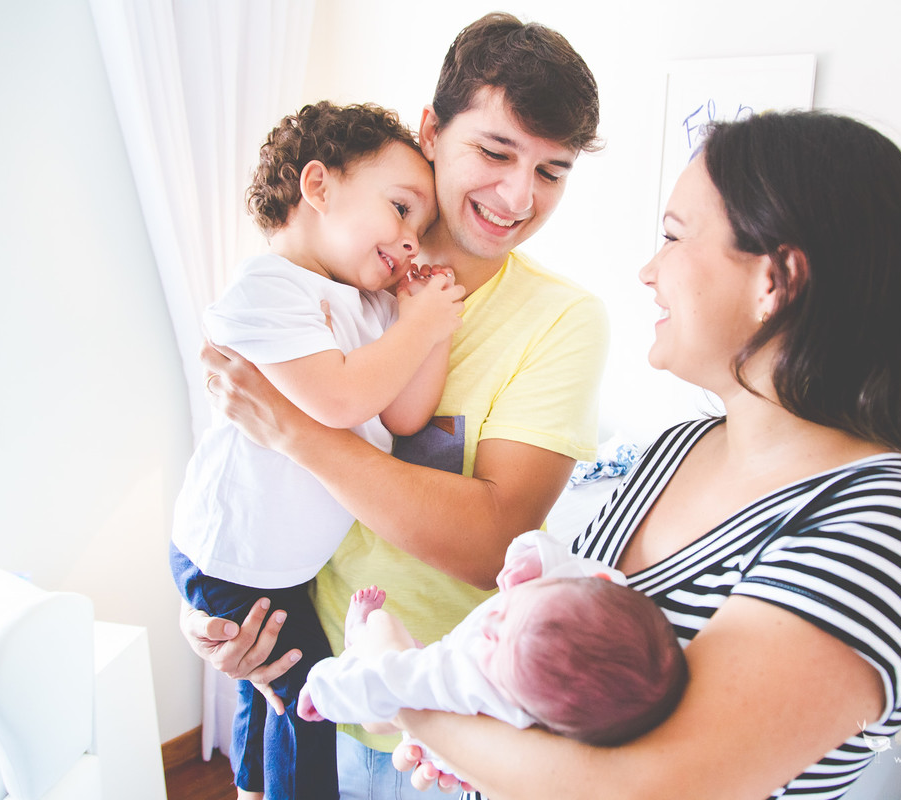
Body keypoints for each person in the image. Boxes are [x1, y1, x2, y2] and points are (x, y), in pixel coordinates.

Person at [376, 110, 901, 799]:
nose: (649, 270)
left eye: (674, 237)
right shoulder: (674, 453)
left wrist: (401, 687)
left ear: (774, 280)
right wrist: (484, 750)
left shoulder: (886, 526)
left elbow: (649, 787)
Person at [186, 12, 608, 799]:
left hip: (447, 728)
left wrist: (295, 432)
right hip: (313, 672)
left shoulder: (563, 321)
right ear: (431, 132)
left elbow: (492, 542)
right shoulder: (331, 288)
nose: (519, 196)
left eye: (552, 172)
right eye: (494, 150)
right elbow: (233, 466)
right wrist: (210, 615)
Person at [170, 101, 464, 800]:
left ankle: (248, 787)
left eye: (421, 229)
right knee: (305, 702)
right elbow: (337, 401)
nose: (411, 242)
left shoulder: (370, 303)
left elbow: (404, 412)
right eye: (400, 208)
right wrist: (414, 323)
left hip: (283, 560)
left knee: (268, 694)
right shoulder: (267, 288)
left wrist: (432, 327)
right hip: (234, 551)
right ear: (318, 186)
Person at [296, 531, 687, 770]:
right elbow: (562, 560)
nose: (491, 623)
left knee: (397, 654)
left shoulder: (476, 680)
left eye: (497, 647)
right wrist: (534, 559)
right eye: (513, 609)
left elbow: (395, 681)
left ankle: (357, 635)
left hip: (440, 698)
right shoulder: (589, 593)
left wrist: (325, 690)